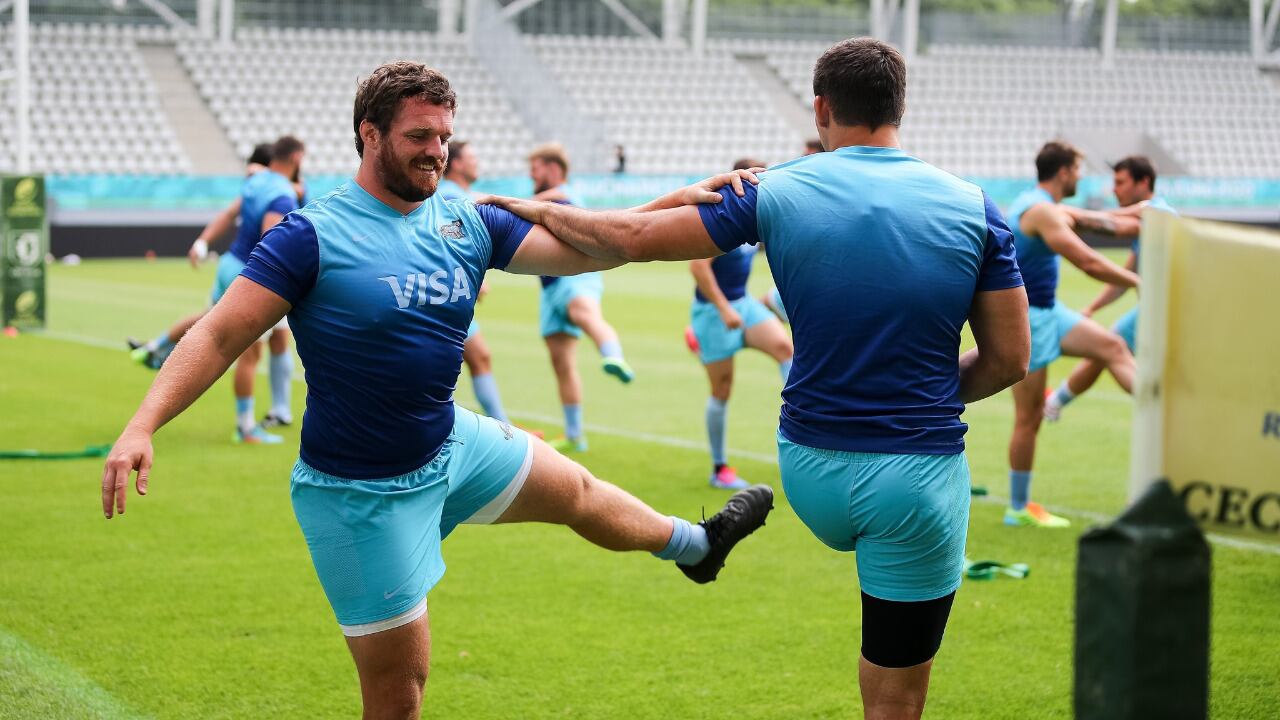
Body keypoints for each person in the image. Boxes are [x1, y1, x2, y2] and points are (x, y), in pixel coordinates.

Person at [100, 61, 774, 720]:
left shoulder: (464, 221)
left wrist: (677, 199)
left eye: (444, 137)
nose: (437, 152)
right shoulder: (315, 235)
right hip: (362, 494)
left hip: (450, 444)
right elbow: (218, 335)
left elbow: (599, 247)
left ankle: (698, 546)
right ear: (370, 135)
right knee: (399, 700)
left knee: (579, 492)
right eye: (419, 137)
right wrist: (141, 424)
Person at [486, 37, 1030, 720]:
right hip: (912, 479)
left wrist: (537, 207)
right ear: (901, 106)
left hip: (807, 466)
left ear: (822, 108)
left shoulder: (771, 188)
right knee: (897, 695)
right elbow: (1010, 358)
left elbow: (626, 239)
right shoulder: (975, 207)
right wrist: (913, 398)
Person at [1001, 141, 1141, 528]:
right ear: (1064, 172)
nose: (1081, 175)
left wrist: (1142, 213)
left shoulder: (1044, 204)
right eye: (1078, 169)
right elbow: (1087, 260)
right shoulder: (1041, 210)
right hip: (1027, 319)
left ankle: (1157, 403)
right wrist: (1139, 281)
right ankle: (1018, 508)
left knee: (1112, 346)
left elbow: (1102, 221)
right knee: (1028, 417)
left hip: (1050, 312)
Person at [686, 158, 794, 490]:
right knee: (722, 390)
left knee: (786, 349)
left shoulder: (756, 216)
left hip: (744, 306)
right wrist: (723, 310)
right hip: (715, 314)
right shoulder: (726, 216)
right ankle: (719, 468)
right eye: (759, 177)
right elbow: (697, 267)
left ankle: (802, 432)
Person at [1043, 155, 1176, 421]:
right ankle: (1055, 403)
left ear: (1144, 182)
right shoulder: (1149, 225)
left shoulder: (1159, 212)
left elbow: (1124, 215)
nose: (1115, 189)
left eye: (1121, 182)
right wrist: (1092, 307)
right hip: (1155, 307)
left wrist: (1076, 215)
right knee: (1107, 347)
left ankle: (1169, 413)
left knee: (1110, 347)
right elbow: (1123, 278)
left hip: (1172, 308)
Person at [127, 143, 274, 370]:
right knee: (251, 350)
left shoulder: (254, 187)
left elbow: (228, 214)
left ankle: (157, 346)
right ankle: (254, 407)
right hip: (253, 271)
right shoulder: (275, 191)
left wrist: (202, 242)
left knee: (209, 319)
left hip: (232, 261)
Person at [528, 143, 634, 453]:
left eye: (536, 169)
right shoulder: (547, 198)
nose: (532, 175)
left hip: (574, 281)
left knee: (585, 314)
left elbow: (549, 201)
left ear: (553, 169)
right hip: (549, 289)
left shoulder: (564, 196)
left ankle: (613, 355)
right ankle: (575, 435)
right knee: (562, 364)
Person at [436, 140, 514, 425]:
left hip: (448, 291)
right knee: (451, 362)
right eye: (472, 157)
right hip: (440, 294)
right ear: (456, 163)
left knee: (479, 356)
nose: (477, 162)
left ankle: (502, 426)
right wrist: (470, 276)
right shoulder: (450, 195)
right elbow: (442, 235)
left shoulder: (457, 193)